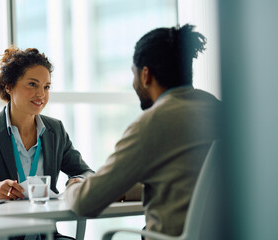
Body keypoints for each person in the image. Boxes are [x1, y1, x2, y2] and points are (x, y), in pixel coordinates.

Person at [64, 24, 222, 238]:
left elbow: (85, 203)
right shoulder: (219, 111)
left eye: (134, 74)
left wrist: (74, 187)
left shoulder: (153, 122)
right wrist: (121, 189)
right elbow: (188, 182)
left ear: (145, 75)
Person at [0, 46, 94, 240]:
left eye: (46, 87)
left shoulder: (55, 130)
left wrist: (78, 181)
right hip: (0, 235)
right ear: (9, 86)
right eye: (32, 84)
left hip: (45, 235)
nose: (41, 94)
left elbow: (86, 172)